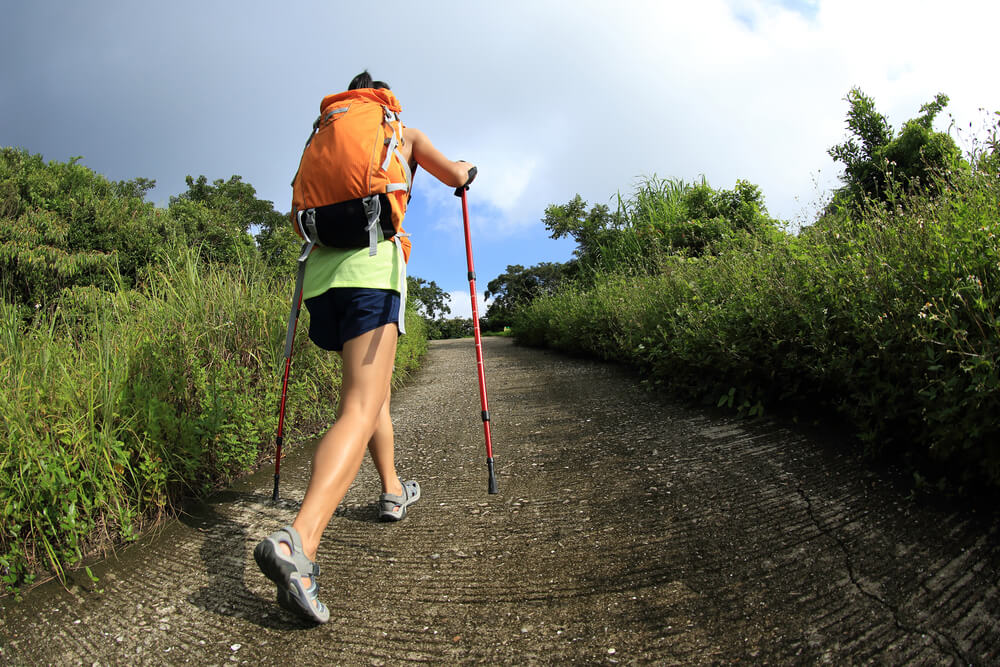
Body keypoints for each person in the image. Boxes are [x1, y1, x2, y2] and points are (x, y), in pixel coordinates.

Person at [253, 71, 476, 623]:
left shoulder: (326, 134)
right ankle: (297, 543)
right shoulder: (404, 132)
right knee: (357, 405)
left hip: (322, 281)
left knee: (366, 397)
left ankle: (393, 489)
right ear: (384, 100)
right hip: (375, 270)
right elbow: (456, 175)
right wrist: (468, 170)